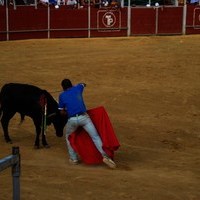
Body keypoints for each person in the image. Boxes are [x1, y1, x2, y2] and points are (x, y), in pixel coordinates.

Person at [58, 79, 117, 169]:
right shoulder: (78, 88)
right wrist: (77, 86)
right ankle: (105, 156)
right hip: (84, 118)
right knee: (95, 137)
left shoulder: (62, 95)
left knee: (68, 137)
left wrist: (67, 111)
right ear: (72, 84)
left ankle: (74, 159)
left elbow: (61, 112)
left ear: (63, 87)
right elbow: (83, 84)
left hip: (72, 120)